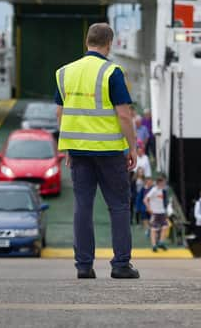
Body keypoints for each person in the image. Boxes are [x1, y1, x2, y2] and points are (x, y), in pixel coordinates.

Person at [55, 22, 139, 280]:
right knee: (119, 206)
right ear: (109, 43)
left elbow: (60, 112)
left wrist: (69, 145)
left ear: (87, 42)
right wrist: (132, 147)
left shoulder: (64, 72)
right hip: (110, 151)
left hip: (79, 151)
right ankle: (120, 265)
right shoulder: (111, 72)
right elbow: (124, 115)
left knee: (83, 206)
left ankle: (83, 266)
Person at [144, 175, 170, 252]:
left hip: (161, 212)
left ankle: (161, 242)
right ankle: (154, 245)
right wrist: (148, 208)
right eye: (163, 183)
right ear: (159, 183)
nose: (164, 185)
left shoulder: (161, 190)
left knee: (165, 227)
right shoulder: (154, 190)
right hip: (155, 212)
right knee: (153, 229)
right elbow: (145, 199)